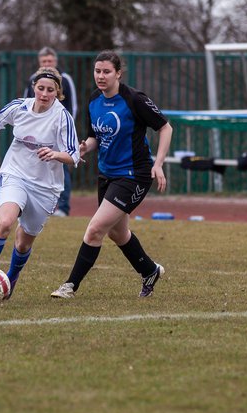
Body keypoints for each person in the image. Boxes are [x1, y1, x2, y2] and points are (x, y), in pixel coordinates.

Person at [51, 50, 172, 300]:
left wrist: (158, 164)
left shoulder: (134, 99)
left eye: (107, 71)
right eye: (97, 71)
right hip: (107, 175)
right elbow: (95, 137)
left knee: (95, 229)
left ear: (118, 73)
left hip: (134, 175)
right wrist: (84, 146)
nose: (101, 76)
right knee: (117, 233)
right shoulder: (94, 100)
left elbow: (165, 127)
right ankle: (149, 271)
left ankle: (70, 286)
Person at [0, 66, 79, 298]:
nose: (44, 93)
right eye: (40, 88)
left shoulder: (62, 117)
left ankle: (11, 277)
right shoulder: (18, 107)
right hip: (15, 174)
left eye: (50, 90)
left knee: (23, 242)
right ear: (34, 87)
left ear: (57, 92)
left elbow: (74, 155)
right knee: (4, 223)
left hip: (45, 187)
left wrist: (55, 155)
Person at [21, 47, 78, 215]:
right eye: (44, 61)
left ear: (55, 61)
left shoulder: (65, 79)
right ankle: (32, 203)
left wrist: (65, 132)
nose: (47, 64)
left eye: (50, 61)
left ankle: (63, 207)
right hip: (36, 133)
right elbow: (25, 105)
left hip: (58, 133)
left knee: (60, 166)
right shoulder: (33, 79)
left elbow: (73, 107)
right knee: (33, 165)